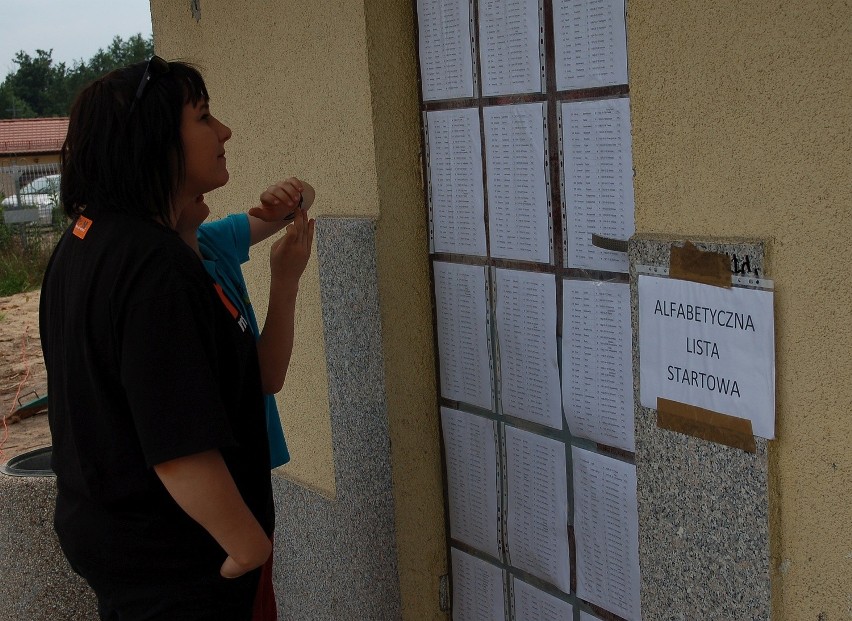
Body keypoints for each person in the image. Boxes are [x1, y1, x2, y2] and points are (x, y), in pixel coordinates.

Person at [39, 56, 304, 620]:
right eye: (204, 117)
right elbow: (178, 448)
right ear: (155, 142)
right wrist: (248, 545)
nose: (224, 131)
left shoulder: (85, 241)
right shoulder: (154, 267)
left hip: (129, 556)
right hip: (179, 569)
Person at [175, 178, 315, 620]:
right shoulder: (170, 280)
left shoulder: (211, 241)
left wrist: (294, 197)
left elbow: (306, 198)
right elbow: (268, 375)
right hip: (221, 499)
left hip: (249, 482)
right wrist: (285, 281)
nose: (223, 135)